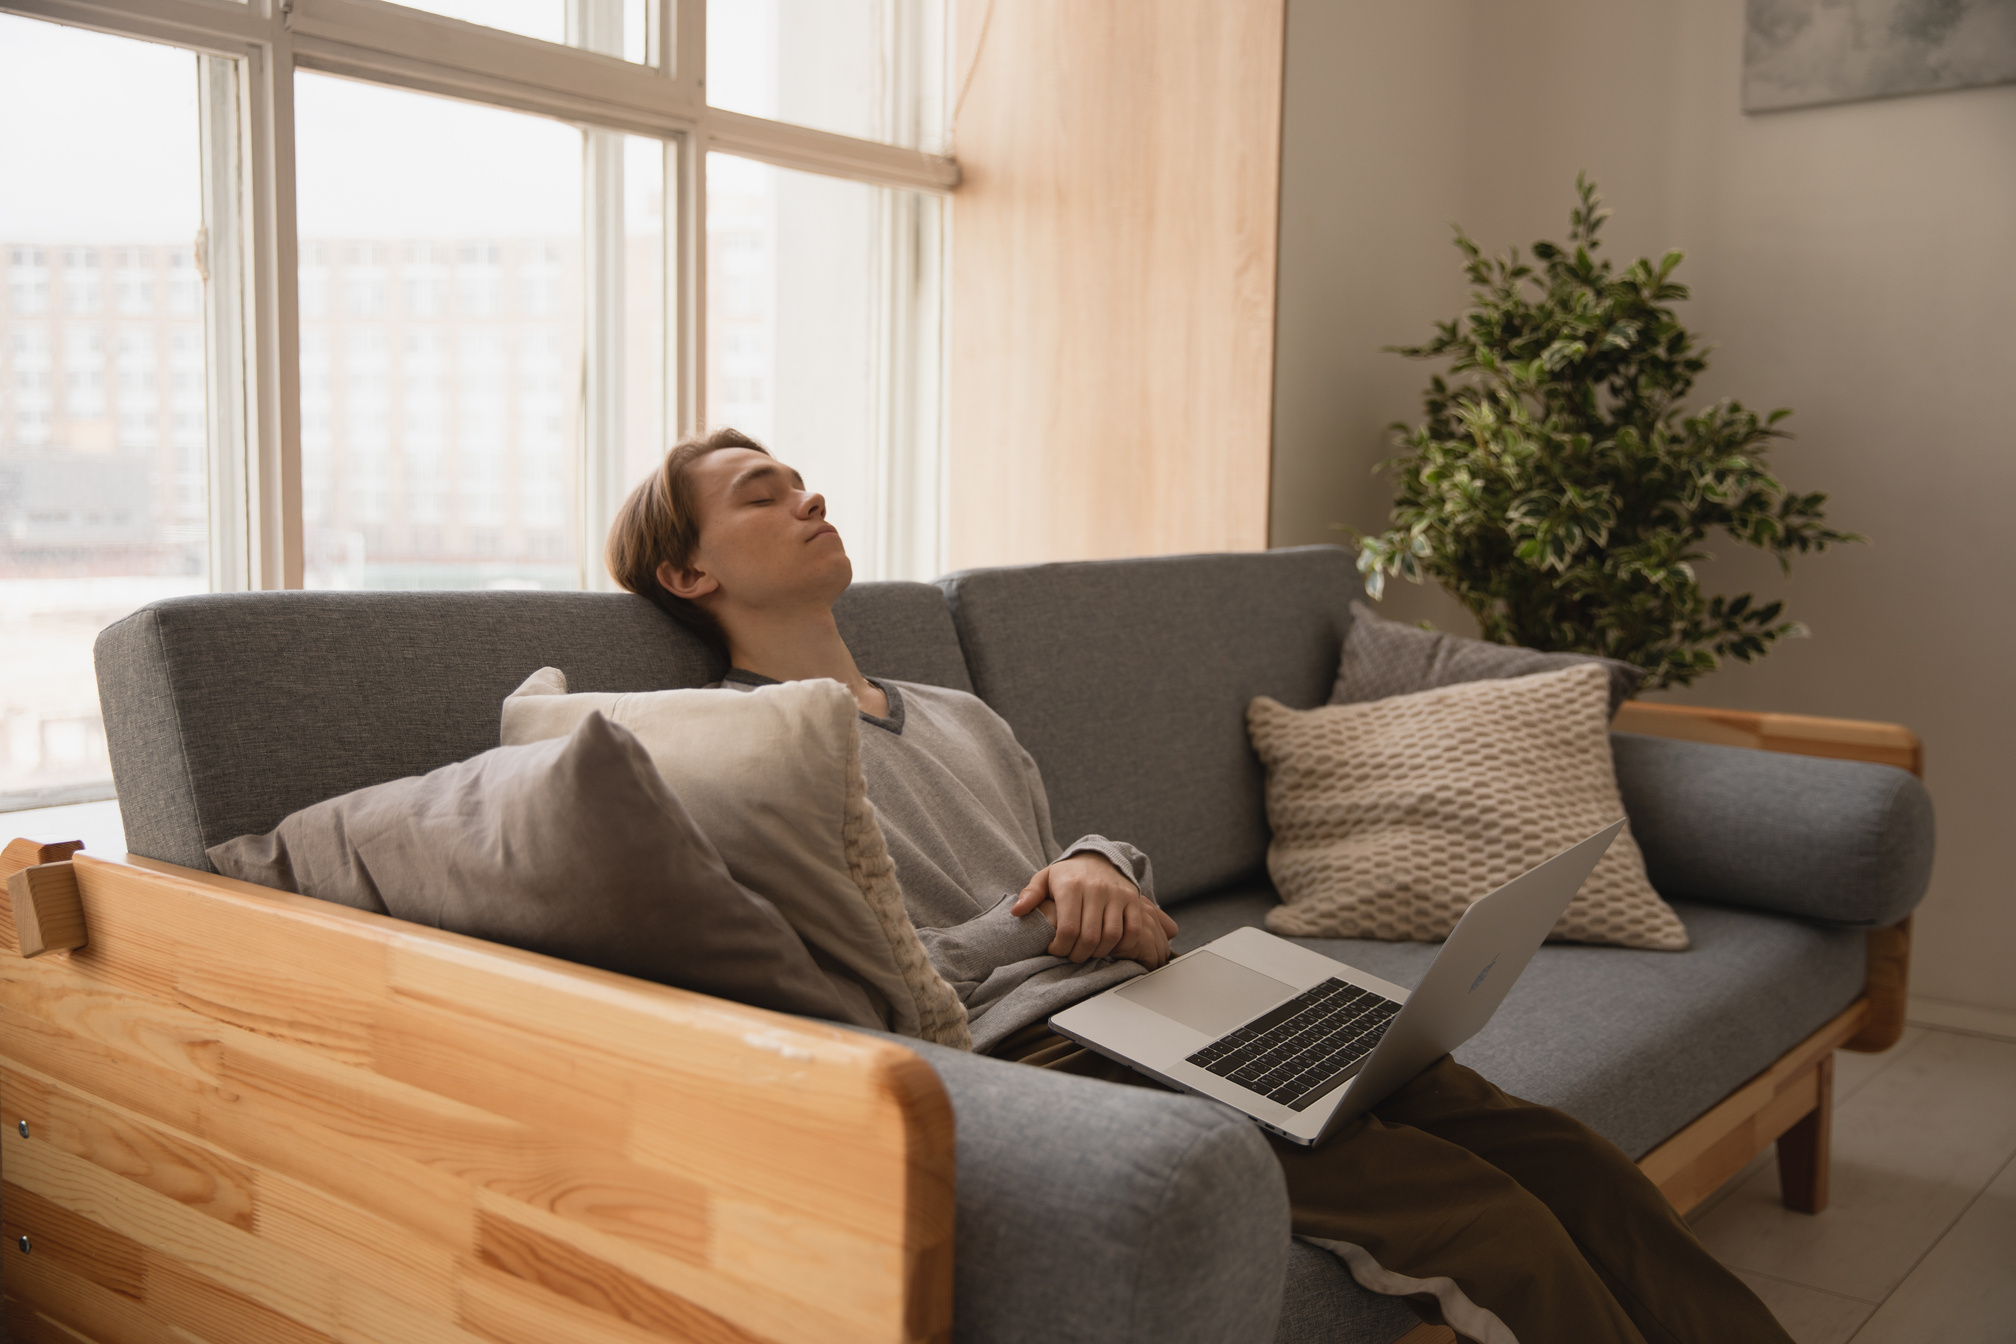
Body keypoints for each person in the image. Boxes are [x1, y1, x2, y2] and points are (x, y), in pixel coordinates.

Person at [606, 428, 1795, 1344]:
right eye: (760, 493)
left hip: (1178, 998)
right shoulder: (741, 749)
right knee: (1488, 1223)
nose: (807, 496)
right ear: (687, 571)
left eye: (800, 477)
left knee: (1561, 1153)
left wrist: (1094, 865)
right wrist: (1038, 920)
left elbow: (1057, 853)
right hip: (1051, 1060)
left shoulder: (960, 715)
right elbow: (865, 973)